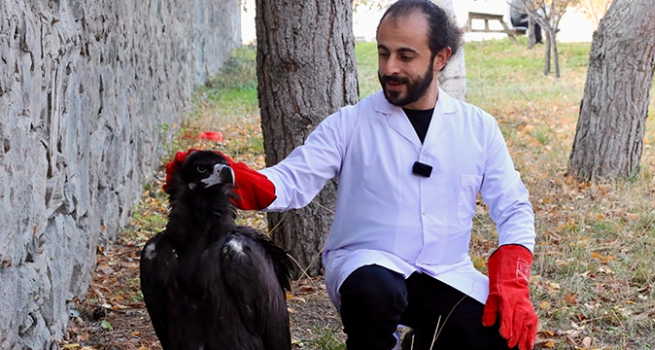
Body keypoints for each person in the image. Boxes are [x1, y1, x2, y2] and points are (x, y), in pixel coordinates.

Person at [183, 0, 538, 349]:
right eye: (383, 53)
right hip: (367, 266)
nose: (389, 67)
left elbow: (513, 207)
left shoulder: (477, 128)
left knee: (502, 336)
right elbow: (291, 180)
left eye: (405, 56)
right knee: (375, 292)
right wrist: (233, 179)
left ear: (440, 58)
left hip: (445, 271)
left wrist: (512, 279)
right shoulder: (350, 123)